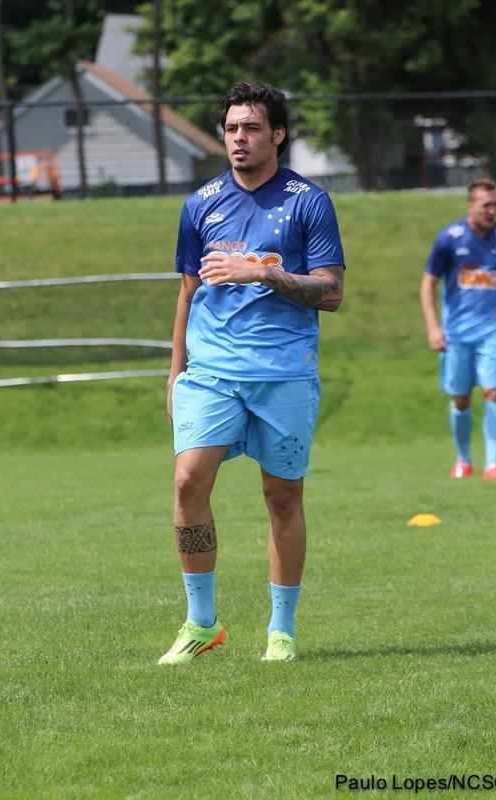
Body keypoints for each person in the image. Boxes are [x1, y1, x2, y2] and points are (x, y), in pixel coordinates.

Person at [159, 81, 345, 664]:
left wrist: (264, 274)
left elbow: (332, 292)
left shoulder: (309, 202)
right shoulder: (201, 204)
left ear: (278, 136)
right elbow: (187, 292)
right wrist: (174, 372)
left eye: (251, 128)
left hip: (283, 371)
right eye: (232, 128)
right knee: (189, 481)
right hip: (211, 371)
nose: (239, 138)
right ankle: (201, 623)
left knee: (282, 495)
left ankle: (281, 631)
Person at [420, 177, 496, 480]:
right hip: (457, 333)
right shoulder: (450, 238)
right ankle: (463, 460)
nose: (491, 210)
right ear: (470, 205)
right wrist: (434, 328)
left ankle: (493, 464)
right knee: (460, 398)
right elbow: (428, 284)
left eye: (495, 205)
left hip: (493, 331)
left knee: (494, 392)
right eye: (485, 205)